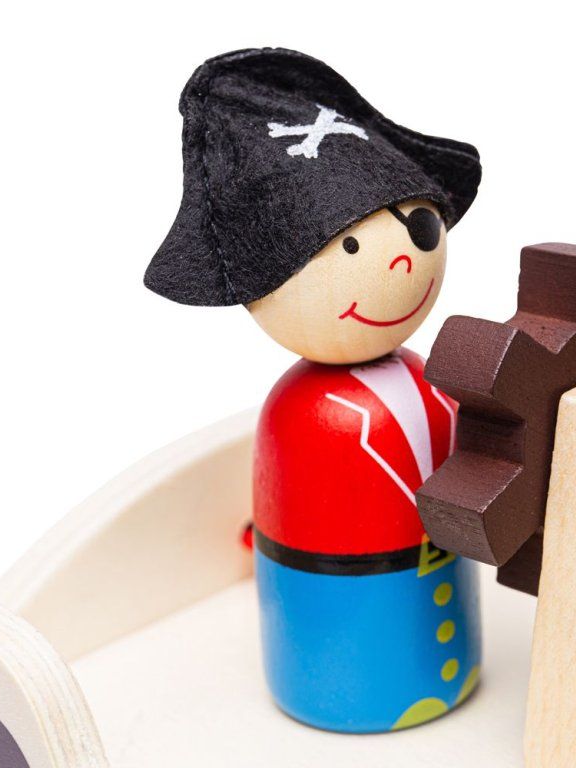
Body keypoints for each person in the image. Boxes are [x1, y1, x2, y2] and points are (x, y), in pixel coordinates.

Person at [145, 48, 484, 733]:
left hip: (437, 583)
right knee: (356, 659)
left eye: (418, 226)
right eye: (349, 248)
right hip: (333, 628)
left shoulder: (431, 376)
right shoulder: (300, 413)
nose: (402, 260)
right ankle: (349, 691)